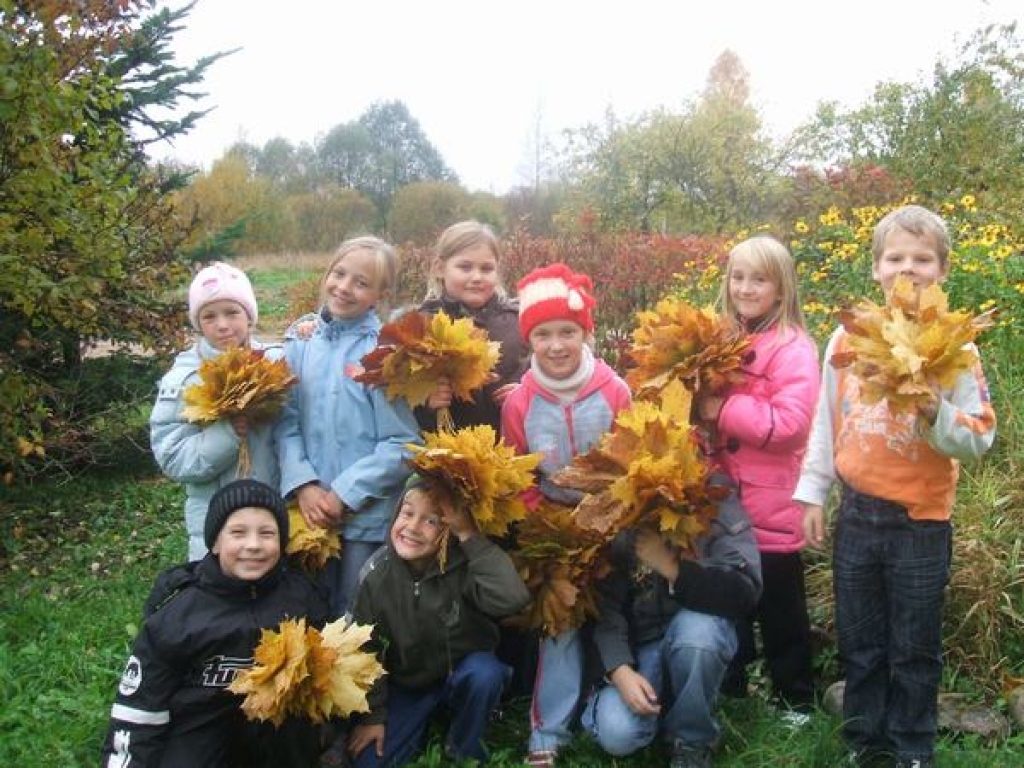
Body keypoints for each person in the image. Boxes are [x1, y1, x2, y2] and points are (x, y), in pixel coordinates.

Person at [794, 205, 997, 768]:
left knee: (914, 647)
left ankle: (912, 749)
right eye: (896, 257)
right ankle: (866, 743)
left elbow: (980, 436)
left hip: (920, 523)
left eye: (923, 258)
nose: (909, 267)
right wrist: (814, 492)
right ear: (877, 269)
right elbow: (825, 419)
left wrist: (935, 410)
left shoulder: (957, 348)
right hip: (856, 516)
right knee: (860, 642)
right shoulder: (849, 337)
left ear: (943, 270)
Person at [500, 263, 632, 767]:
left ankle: (620, 697)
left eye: (567, 332)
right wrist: (546, 519)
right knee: (561, 620)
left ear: (584, 333)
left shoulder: (613, 390)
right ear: (530, 340)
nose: (556, 346)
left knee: (619, 608)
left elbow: (633, 462)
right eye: (543, 335)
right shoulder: (521, 403)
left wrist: (610, 514)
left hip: (613, 519)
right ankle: (548, 729)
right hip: (554, 527)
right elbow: (519, 476)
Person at [101, 479, 331, 767]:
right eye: (238, 533)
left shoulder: (301, 598)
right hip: (200, 725)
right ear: (215, 542)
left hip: (279, 727)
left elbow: (331, 670)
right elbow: (140, 705)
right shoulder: (179, 614)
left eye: (267, 533)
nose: (253, 545)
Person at [694, 235, 820, 717]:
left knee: (781, 608)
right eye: (738, 276)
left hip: (771, 505)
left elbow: (790, 426)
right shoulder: (725, 337)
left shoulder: (792, 348)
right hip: (727, 504)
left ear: (782, 289)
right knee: (732, 599)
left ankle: (796, 698)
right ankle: (733, 690)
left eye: (759, 278)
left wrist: (723, 408)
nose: (746, 287)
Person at [276, 236, 421, 616]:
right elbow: (286, 423)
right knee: (307, 609)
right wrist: (303, 485)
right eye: (339, 274)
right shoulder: (300, 344)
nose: (344, 288)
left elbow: (402, 443)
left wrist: (344, 494)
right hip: (308, 513)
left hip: (364, 518)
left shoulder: (383, 355)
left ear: (380, 294)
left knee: (353, 615)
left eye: (361, 282)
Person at [346, 475, 531, 767]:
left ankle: (465, 747)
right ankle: (416, 721)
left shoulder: (465, 566)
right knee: (370, 762)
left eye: (432, 521)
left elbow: (513, 598)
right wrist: (373, 717)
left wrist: (470, 536)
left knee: (485, 674)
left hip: (460, 674)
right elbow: (363, 650)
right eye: (407, 514)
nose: (413, 527)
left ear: (450, 530)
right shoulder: (376, 575)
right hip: (407, 684)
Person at [582, 477, 763, 768]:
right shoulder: (621, 492)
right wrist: (619, 670)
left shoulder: (712, 494)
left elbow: (743, 593)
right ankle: (670, 706)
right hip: (639, 650)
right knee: (618, 735)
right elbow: (605, 606)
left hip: (695, 636)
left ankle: (691, 740)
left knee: (698, 636)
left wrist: (671, 567)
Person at [150, 262, 281, 561]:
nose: (222, 325)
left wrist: (311, 323)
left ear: (249, 316)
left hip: (276, 518)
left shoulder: (276, 365)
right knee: (222, 601)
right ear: (198, 324)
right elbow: (173, 458)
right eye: (209, 316)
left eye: (232, 313)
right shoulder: (183, 380)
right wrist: (227, 434)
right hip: (216, 527)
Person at [417, 220, 528, 434]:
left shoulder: (518, 321)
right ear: (440, 268)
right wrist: (426, 403)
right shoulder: (423, 326)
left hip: (512, 449)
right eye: (465, 267)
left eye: (486, 269)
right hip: (449, 454)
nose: (477, 277)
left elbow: (546, 375)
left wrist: (530, 393)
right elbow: (401, 400)